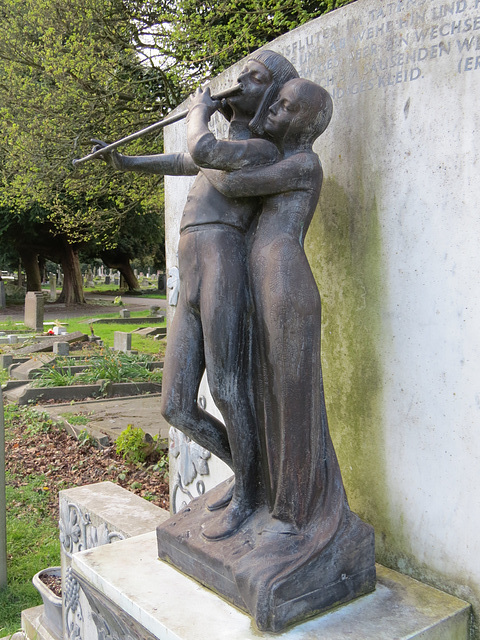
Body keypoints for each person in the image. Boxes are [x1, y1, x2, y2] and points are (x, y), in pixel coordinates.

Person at [93, 51, 299, 541]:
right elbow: (185, 159)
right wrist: (126, 162)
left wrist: (198, 113)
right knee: (176, 405)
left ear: (270, 96)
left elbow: (202, 150)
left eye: (254, 78)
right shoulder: (226, 144)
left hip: (224, 260)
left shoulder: (262, 151)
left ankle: (250, 494)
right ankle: (252, 476)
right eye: (242, 73)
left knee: (229, 389)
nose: (240, 82)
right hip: (192, 265)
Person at [201, 78, 348, 532]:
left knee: (292, 400)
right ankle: (264, 490)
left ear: (302, 124)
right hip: (263, 277)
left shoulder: (305, 164)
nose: (271, 112)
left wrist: (202, 126)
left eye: (283, 109)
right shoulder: (279, 155)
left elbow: (231, 184)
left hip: (286, 283)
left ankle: (296, 514)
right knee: (264, 393)